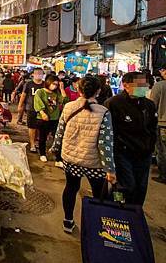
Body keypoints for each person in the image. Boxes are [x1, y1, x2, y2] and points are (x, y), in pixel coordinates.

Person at [53, 76, 117, 233]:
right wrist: (110, 169)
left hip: (70, 157)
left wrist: (55, 148)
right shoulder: (104, 112)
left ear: (78, 90)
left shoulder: (68, 107)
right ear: (99, 91)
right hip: (93, 161)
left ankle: (68, 221)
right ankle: (97, 224)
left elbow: (59, 131)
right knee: (98, 193)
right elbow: (105, 142)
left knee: (71, 187)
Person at [105, 72, 158, 206]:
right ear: (126, 85)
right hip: (122, 153)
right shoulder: (113, 103)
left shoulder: (149, 105)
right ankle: (116, 207)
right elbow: (107, 131)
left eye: (145, 85)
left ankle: (135, 214)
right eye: (139, 85)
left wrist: (150, 147)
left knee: (141, 187)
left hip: (144, 153)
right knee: (125, 185)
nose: (143, 88)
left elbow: (152, 128)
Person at [34, 74, 68, 166]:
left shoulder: (57, 93)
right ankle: (42, 153)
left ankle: (58, 159)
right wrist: (42, 113)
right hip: (43, 119)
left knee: (57, 138)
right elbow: (37, 103)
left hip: (55, 118)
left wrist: (61, 89)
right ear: (48, 82)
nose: (55, 86)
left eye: (56, 84)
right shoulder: (40, 92)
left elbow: (65, 100)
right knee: (42, 137)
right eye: (53, 84)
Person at [18, 68, 45, 152]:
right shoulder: (28, 84)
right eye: (36, 73)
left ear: (43, 74)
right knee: (32, 127)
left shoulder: (45, 84)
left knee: (40, 128)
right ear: (33, 74)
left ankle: (37, 141)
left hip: (42, 109)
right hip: (31, 108)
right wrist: (20, 105)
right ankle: (32, 144)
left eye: (40, 73)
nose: (38, 75)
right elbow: (23, 95)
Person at [150, 66, 166, 184]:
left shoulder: (160, 86)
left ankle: (164, 176)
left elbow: (152, 105)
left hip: (163, 123)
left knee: (162, 150)